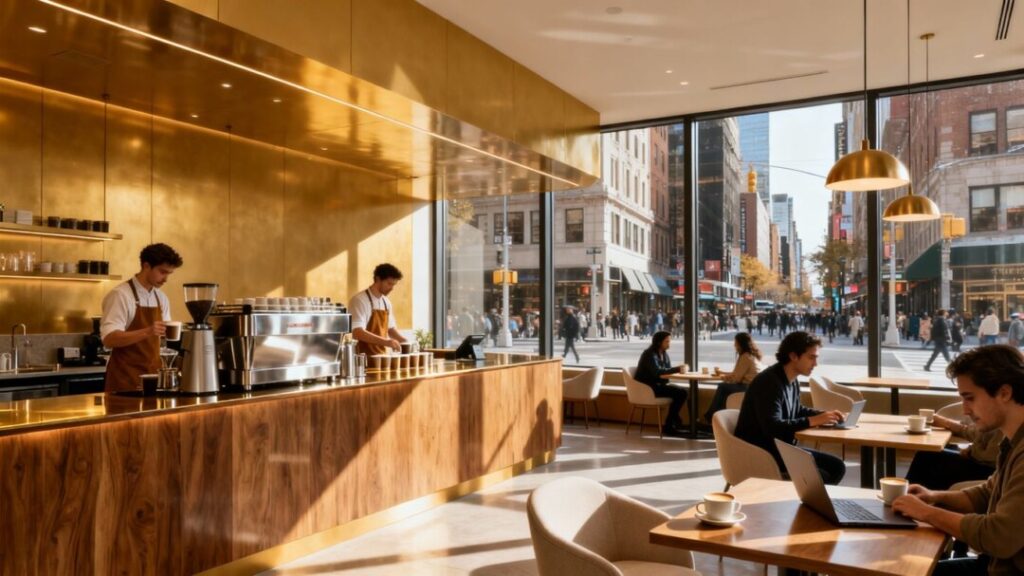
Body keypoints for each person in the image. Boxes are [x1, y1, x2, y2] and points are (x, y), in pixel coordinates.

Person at [892, 345, 1024, 576]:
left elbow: (998, 537)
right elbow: (986, 493)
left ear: (1004, 393)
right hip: (994, 565)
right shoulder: (1012, 441)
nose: (965, 410)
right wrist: (934, 497)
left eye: (970, 398)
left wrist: (926, 512)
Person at [734, 331, 846, 485]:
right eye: (811, 357)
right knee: (825, 473)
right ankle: (803, 498)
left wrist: (825, 415)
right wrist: (813, 420)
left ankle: (807, 498)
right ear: (793, 356)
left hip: (780, 448)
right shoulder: (769, 382)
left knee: (837, 467)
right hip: (762, 453)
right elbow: (773, 427)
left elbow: (796, 410)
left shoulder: (791, 380)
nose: (816, 364)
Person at [101, 243, 182, 393]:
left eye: (169, 274)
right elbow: (109, 339)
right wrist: (148, 331)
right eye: (162, 272)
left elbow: (162, 340)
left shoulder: (161, 298)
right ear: (146, 266)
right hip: (125, 379)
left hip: (154, 378)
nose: (165, 279)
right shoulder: (120, 295)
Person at [905, 410, 1001, 491]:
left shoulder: (1002, 421)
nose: (965, 410)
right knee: (942, 450)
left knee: (926, 456)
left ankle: (910, 495)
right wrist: (946, 423)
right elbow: (971, 432)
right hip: (981, 463)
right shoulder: (994, 416)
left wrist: (970, 451)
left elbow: (990, 457)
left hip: (988, 472)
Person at [634, 331, 687, 437]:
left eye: (669, 341)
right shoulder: (649, 354)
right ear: (659, 342)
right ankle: (670, 423)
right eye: (667, 341)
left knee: (682, 392)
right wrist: (677, 369)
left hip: (657, 385)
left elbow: (666, 370)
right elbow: (657, 372)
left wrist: (679, 369)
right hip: (648, 388)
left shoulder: (664, 353)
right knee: (681, 393)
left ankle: (672, 421)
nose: (669, 344)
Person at [703, 332, 765, 423]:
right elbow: (737, 373)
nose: (734, 345)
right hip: (753, 387)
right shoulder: (750, 355)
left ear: (740, 344)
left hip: (748, 387)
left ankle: (711, 416)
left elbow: (736, 379)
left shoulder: (745, 357)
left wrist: (723, 377)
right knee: (724, 390)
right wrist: (722, 373)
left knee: (722, 387)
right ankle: (716, 418)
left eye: (736, 343)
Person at [348, 263, 406, 356]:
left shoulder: (386, 302)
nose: (392, 288)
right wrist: (386, 342)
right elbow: (357, 332)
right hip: (363, 358)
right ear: (378, 279)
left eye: (394, 285)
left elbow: (390, 329)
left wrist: (405, 341)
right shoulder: (359, 300)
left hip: (382, 357)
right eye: (389, 283)